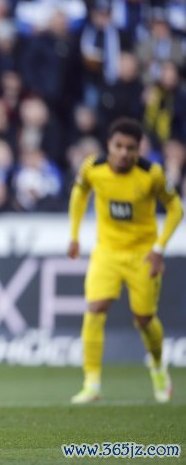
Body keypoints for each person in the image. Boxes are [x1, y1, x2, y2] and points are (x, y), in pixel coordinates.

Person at [67, 117, 183, 404]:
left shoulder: (152, 174)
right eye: (118, 146)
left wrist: (159, 248)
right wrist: (74, 235)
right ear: (109, 145)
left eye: (130, 148)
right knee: (95, 308)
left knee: (144, 319)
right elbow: (80, 192)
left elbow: (175, 208)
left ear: (138, 149)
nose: (123, 153)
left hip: (142, 254)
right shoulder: (93, 168)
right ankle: (91, 383)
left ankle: (158, 366)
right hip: (107, 251)